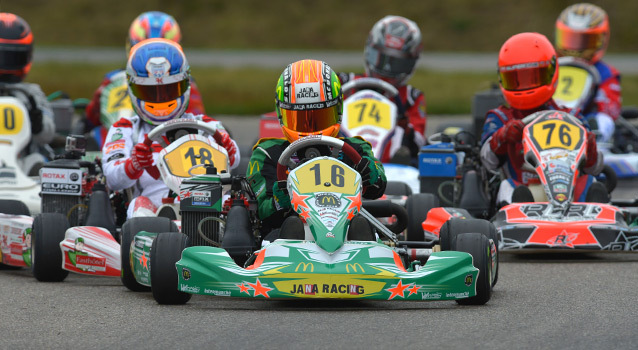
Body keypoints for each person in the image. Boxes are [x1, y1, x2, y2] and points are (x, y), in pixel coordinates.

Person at [247, 59, 387, 240]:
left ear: (337, 109)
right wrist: (277, 203)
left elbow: (379, 188)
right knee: (289, 229)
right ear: (282, 113)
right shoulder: (267, 154)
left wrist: (372, 174)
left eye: (319, 117)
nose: (310, 128)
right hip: (288, 237)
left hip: (346, 233)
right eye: (300, 118)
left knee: (362, 227)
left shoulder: (356, 148)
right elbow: (261, 213)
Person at [102, 39, 239, 219]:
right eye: (150, 92)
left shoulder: (207, 126)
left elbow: (235, 160)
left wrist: (228, 149)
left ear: (184, 85)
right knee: (139, 207)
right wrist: (134, 164)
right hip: (155, 209)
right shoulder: (126, 129)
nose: (160, 99)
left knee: (235, 205)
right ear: (133, 90)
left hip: (208, 203)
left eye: (169, 90)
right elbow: (112, 177)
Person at [480, 32, 606, 205]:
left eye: (532, 77)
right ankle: (518, 221)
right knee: (507, 187)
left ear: (551, 72)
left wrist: (589, 149)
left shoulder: (572, 117)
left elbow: (595, 168)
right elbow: (488, 162)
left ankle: (598, 220)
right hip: (524, 191)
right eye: (516, 79)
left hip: (568, 192)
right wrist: (502, 137)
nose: (525, 87)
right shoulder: (501, 118)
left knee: (591, 183)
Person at [85, 11, 205, 148]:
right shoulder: (188, 83)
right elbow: (197, 118)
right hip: (128, 148)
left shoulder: (111, 80)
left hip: (124, 145)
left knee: (91, 134)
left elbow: (91, 118)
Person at [337, 15, 426, 164]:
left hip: (392, 165)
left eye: (396, 62)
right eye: (382, 58)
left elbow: (419, 144)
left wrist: (403, 124)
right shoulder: (343, 83)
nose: (386, 70)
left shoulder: (411, 97)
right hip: (340, 157)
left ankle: (385, 163)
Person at [555, 3, 621, 144]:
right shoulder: (549, 64)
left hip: (584, 123)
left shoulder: (605, 73)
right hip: (548, 115)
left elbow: (611, 110)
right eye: (571, 39)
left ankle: (596, 149)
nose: (575, 48)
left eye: (584, 41)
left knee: (604, 121)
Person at [0, 13, 55, 164]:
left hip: (21, 162)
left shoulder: (31, 94)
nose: (6, 64)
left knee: (38, 160)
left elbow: (47, 135)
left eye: (13, 58)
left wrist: (37, 122)